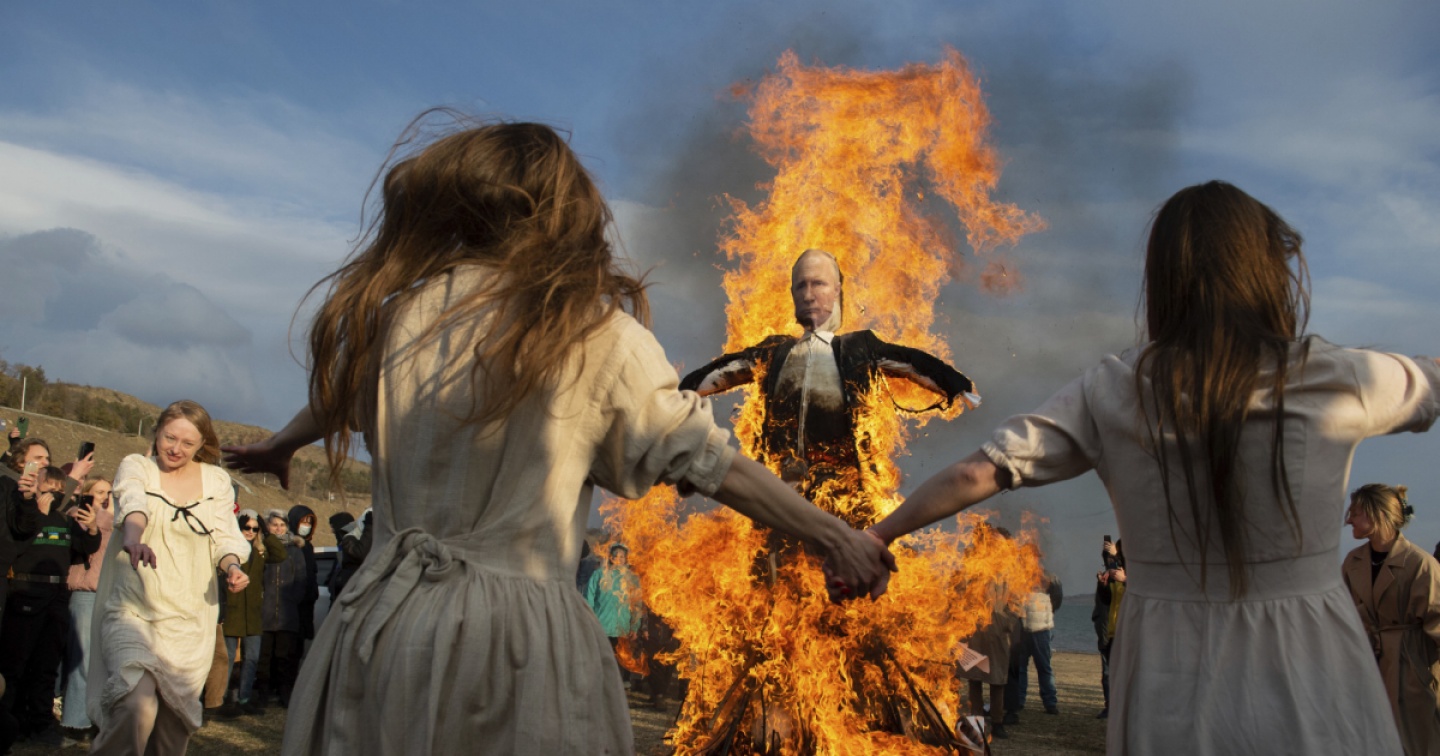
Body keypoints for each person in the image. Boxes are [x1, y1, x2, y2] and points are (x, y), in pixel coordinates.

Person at [221, 116, 893, 755]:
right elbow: (711, 463)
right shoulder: (592, 333)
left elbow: (337, 402)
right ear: (564, 214)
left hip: (380, 630)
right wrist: (834, 536)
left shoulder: (396, 319)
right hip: (511, 646)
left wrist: (283, 443)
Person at [866, 181, 1440, 754]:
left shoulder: (1116, 388)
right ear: (1267, 269)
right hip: (1314, 669)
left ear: (1164, 279)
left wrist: (877, 536)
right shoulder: (1336, 375)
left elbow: (977, 473)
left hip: (1171, 673)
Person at [679, 249, 979, 523]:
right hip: (781, 492)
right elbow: (723, 370)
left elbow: (910, 361)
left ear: (836, 290)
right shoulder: (773, 352)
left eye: (818, 284)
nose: (809, 295)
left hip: (843, 491)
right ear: (793, 294)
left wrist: (957, 386)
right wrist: (677, 394)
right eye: (801, 286)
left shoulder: (858, 347)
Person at [87, 400, 251, 755]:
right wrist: (133, 539)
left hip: (189, 621)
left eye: (187, 443)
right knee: (136, 705)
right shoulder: (137, 466)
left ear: (202, 444)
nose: (176, 449)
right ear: (157, 432)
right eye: (169, 438)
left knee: (170, 732)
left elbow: (225, 537)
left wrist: (233, 567)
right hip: (134, 610)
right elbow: (133, 504)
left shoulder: (216, 481)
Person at [0, 465, 100, 748]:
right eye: (49, 487)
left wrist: (92, 527)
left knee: (46, 665)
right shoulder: (25, 517)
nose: (54, 493)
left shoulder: (65, 520)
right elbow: (18, 543)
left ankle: (41, 723)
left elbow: (86, 547)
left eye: (59, 489)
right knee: (16, 664)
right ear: (37, 487)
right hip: (26, 592)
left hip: (57, 596)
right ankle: (11, 722)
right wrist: (37, 515)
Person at [1342, 484, 1440, 755]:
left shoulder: (1419, 563)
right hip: (1368, 667)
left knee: (1417, 744)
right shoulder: (1352, 562)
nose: (1348, 520)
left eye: (1355, 512)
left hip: (1413, 669)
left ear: (1377, 514)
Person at [58, 476, 115, 746]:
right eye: (100, 491)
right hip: (86, 594)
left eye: (109, 492)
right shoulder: (81, 514)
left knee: (101, 663)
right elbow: (89, 531)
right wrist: (107, 513)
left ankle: (93, 717)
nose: (105, 496)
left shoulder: (115, 521)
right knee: (83, 661)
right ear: (87, 493)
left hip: (107, 597)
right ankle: (75, 720)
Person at [221, 509, 288, 716]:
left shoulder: (260, 551)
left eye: (254, 528)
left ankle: (244, 698)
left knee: (251, 658)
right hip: (231, 611)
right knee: (227, 658)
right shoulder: (229, 552)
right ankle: (223, 699)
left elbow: (280, 554)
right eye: (246, 527)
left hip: (252, 613)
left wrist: (267, 533)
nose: (250, 531)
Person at [259, 509, 308, 708]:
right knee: (263, 657)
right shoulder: (262, 548)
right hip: (265, 612)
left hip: (287, 614)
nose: (278, 529)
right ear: (267, 526)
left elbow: (301, 579)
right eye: (274, 525)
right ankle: (262, 694)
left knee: (284, 657)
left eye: (282, 525)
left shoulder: (295, 550)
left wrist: (292, 600)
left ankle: (284, 693)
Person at [1007, 568, 1063, 721]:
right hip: (1022, 629)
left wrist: (1046, 613)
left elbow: (1057, 599)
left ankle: (1050, 702)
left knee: (1044, 667)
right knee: (1020, 668)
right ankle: (1019, 701)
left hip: (1041, 630)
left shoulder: (1049, 578)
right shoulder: (1019, 577)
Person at [584, 543, 644, 678]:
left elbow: (636, 605)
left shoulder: (632, 578)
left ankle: (617, 687)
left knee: (618, 663)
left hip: (621, 628)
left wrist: (634, 627)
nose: (618, 559)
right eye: (615, 556)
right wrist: (589, 621)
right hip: (600, 627)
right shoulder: (599, 574)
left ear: (626, 559)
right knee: (598, 661)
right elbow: (589, 598)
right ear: (610, 558)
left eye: (622, 557)